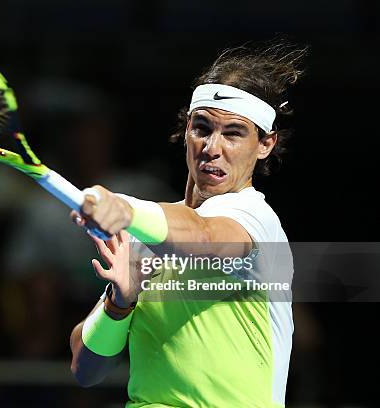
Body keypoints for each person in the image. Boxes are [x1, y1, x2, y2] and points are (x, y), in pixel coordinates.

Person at [69, 41, 307, 407]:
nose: (213, 147)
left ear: (265, 144)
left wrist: (126, 208)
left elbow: (205, 235)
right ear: (186, 132)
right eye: (202, 128)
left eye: (233, 133)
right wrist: (120, 304)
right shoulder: (151, 234)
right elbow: (86, 370)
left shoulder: (255, 220)